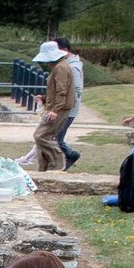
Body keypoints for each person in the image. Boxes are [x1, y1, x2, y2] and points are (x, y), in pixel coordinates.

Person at [29, 41, 78, 173]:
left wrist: (55, 110)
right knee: (44, 137)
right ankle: (44, 168)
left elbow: (62, 91)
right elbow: (56, 90)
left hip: (59, 109)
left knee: (40, 135)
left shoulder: (60, 68)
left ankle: (58, 162)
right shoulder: (59, 66)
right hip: (54, 107)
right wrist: (44, 99)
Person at [58, 38, 85, 170]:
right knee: (56, 137)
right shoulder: (66, 64)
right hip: (63, 107)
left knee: (56, 137)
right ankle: (69, 155)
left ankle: (71, 155)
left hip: (68, 109)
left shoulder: (73, 67)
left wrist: (65, 103)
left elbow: (77, 90)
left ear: (64, 50)